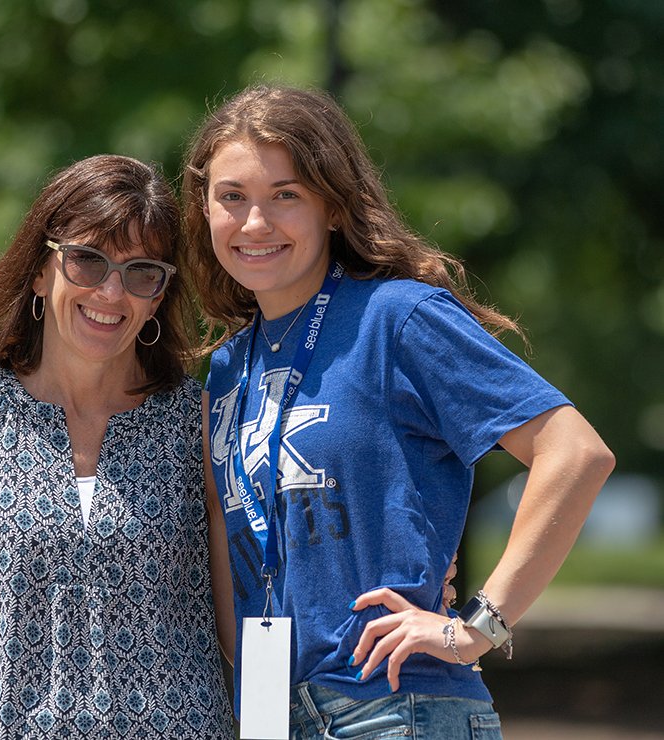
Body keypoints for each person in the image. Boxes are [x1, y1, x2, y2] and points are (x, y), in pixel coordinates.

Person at [182, 84, 615, 739]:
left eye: (285, 195)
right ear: (205, 208)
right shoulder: (227, 368)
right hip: (272, 718)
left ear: (332, 206)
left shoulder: (398, 318)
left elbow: (576, 452)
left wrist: (475, 627)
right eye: (232, 197)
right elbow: (225, 526)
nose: (254, 224)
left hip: (396, 710)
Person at [0, 154, 234, 739]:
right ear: (39, 271)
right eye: (86, 259)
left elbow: (238, 626)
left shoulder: (200, 420)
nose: (111, 290)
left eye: (141, 272)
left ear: (158, 297)